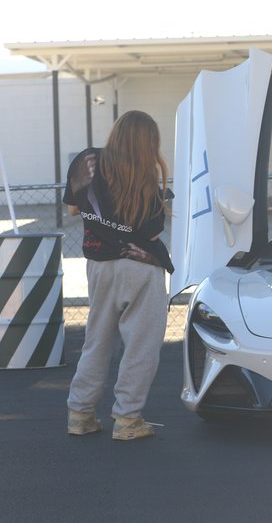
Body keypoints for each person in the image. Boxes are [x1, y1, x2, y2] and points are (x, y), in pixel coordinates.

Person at [64, 110, 174, 439]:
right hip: (140, 267)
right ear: (148, 142)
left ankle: (80, 415)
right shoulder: (147, 177)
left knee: (97, 340)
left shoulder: (86, 160)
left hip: (99, 264)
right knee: (141, 345)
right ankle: (127, 420)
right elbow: (152, 232)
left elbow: (73, 209)